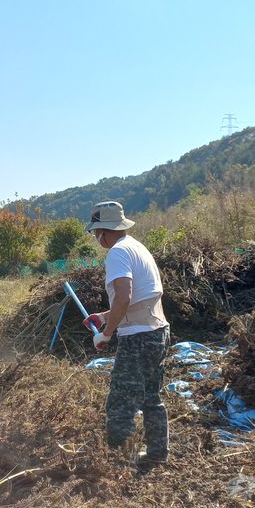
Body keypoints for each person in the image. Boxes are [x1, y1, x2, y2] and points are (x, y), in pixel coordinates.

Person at [83, 201, 171, 476]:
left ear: (104, 231)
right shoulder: (137, 247)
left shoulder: (117, 253)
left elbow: (125, 296)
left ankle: (115, 464)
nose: (96, 238)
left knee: (120, 403)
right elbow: (139, 299)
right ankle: (157, 453)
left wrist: (106, 334)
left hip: (138, 338)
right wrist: (105, 316)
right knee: (151, 397)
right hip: (157, 331)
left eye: (96, 232)